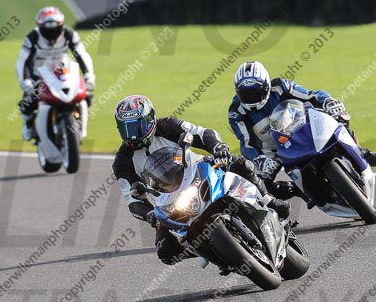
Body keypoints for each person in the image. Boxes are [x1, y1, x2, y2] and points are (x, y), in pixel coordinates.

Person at [113, 94, 290, 265]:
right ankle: (214, 253)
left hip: (200, 171)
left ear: (150, 119)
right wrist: (150, 214)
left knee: (240, 164)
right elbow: (132, 200)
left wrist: (217, 147)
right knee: (165, 251)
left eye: (137, 127)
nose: (133, 135)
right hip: (170, 201)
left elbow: (202, 133)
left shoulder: (168, 125)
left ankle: (269, 200)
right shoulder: (122, 162)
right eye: (126, 128)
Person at [229, 61, 376, 189]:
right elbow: (246, 144)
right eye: (245, 94)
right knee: (258, 186)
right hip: (272, 149)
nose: (251, 98)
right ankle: (297, 191)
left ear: (266, 86)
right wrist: (259, 160)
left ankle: (358, 150)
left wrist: (329, 101)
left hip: (298, 128)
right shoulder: (237, 112)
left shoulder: (281, 86)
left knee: (338, 117)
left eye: (255, 92)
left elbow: (311, 95)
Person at [15, 6, 95, 141]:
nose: (52, 35)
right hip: (39, 76)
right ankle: (28, 123)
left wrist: (89, 77)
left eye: (55, 29)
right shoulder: (32, 37)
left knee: (87, 96)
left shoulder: (69, 34)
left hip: (63, 73)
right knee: (27, 103)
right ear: (40, 27)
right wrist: (26, 82)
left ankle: (79, 124)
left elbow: (82, 55)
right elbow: (23, 61)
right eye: (47, 30)